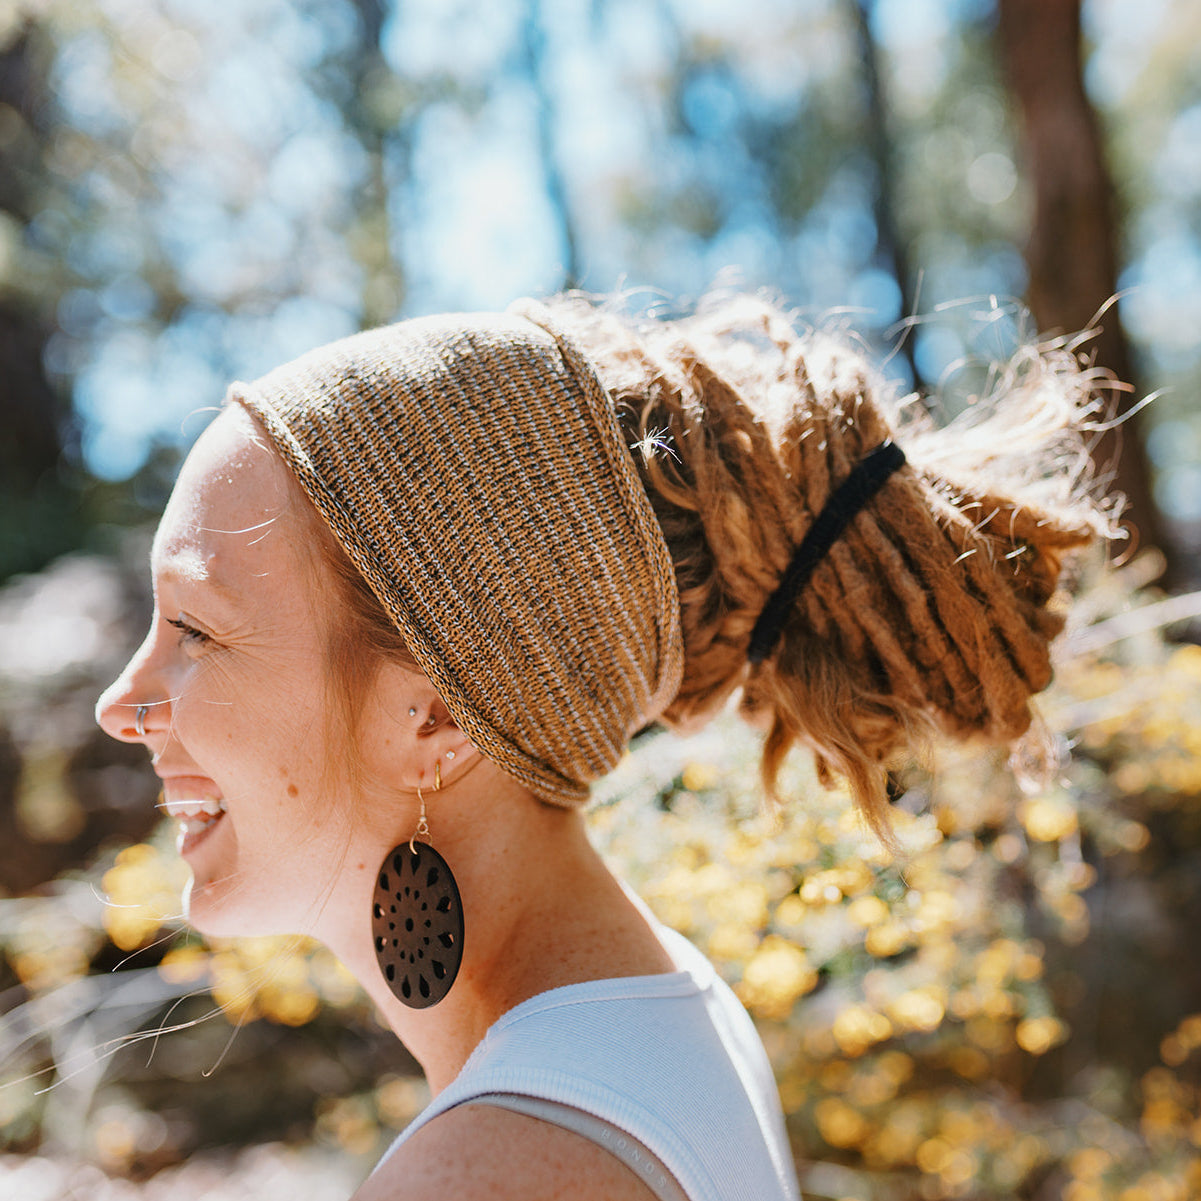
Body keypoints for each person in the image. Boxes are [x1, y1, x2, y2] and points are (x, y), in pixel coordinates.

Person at [95, 293, 1112, 1201]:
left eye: (195, 628)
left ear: (435, 717)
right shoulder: (661, 1015)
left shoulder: (497, 1166)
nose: (119, 702)